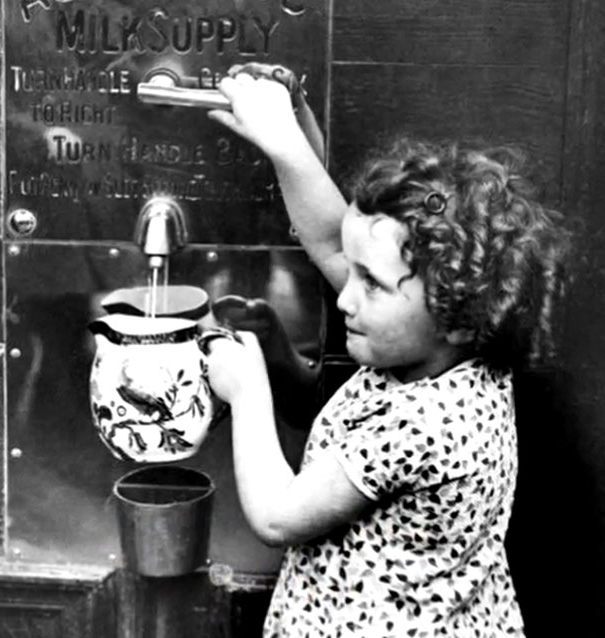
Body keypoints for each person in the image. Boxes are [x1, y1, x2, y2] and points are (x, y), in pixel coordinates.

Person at [202, 64, 570, 637]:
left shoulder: (424, 425)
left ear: (456, 314)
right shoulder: (439, 351)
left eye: (371, 283)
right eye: (353, 274)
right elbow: (331, 241)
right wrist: (288, 142)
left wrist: (247, 392)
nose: (344, 297)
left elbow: (278, 517)